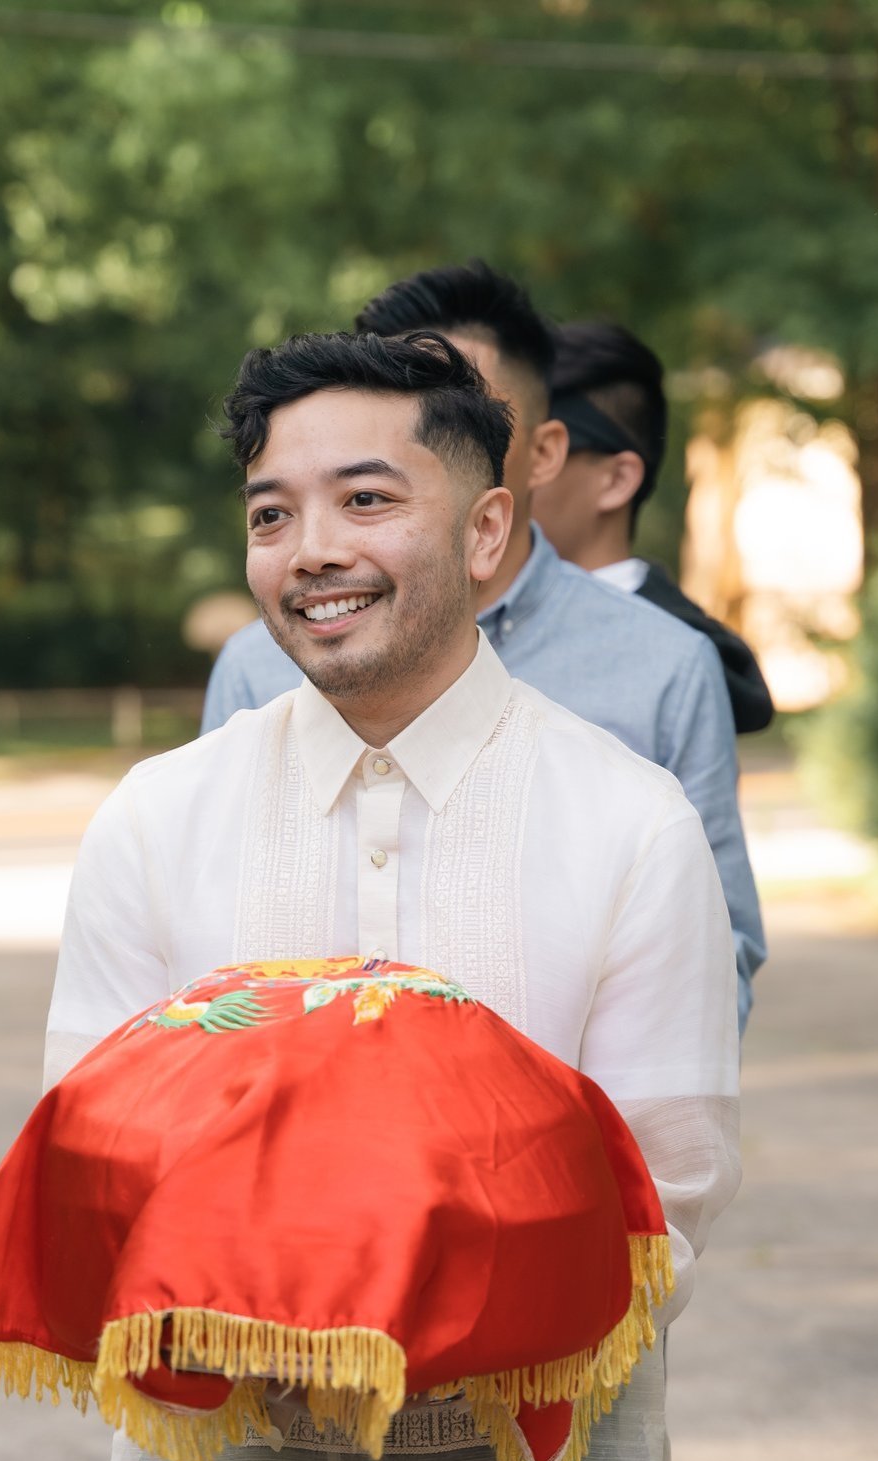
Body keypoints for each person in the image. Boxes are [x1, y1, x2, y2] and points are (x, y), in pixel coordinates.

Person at [45, 329, 741, 1461]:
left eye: (366, 498)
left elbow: (672, 1188)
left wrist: (461, 1317)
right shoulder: (156, 817)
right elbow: (90, 1137)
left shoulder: (629, 826)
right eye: (271, 511)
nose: (311, 546)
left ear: (489, 531)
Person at [202, 261, 766, 1033]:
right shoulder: (256, 664)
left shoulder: (665, 667)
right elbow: (211, 944)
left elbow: (714, 956)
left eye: (466, 409)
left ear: (540, 452)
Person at [535, 320, 775, 734]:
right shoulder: (482, 622)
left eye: (539, 453)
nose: (499, 475)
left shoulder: (682, 659)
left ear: (616, 480)